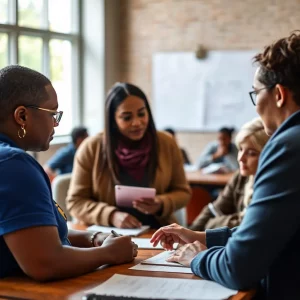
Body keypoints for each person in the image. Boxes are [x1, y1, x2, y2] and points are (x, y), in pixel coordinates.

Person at [151, 31, 300, 300]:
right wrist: (203, 236)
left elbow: (239, 267)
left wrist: (199, 257)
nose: (255, 108)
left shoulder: (289, 146)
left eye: (256, 94)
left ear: (279, 94)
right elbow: (269, 230)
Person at [0, 66, 137, 280]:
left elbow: (35, 234)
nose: (55, 123)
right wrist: (108, 253)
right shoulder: (14, 165)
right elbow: (45, 263)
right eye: (53, 113)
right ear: (22, 116)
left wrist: (94, 237)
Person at [66, 82, 191, 229]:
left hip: (157, 231)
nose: (137, 123)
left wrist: (161, 202)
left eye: (142, 114)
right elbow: (75, 202)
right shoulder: (91, 148)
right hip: (106, 233)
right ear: (113, 120)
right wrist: (111, 215)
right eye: (127, 118)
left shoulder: (166, 143)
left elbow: (183, 192)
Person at [190, 118, 269, 230]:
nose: (241, 158)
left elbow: (246, 225)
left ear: (268, 154)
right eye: (240, 149)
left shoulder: (271, 184)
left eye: (251, 153)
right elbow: (215, 209)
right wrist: (188, 234)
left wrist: (212, 224)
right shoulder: (240, 177)